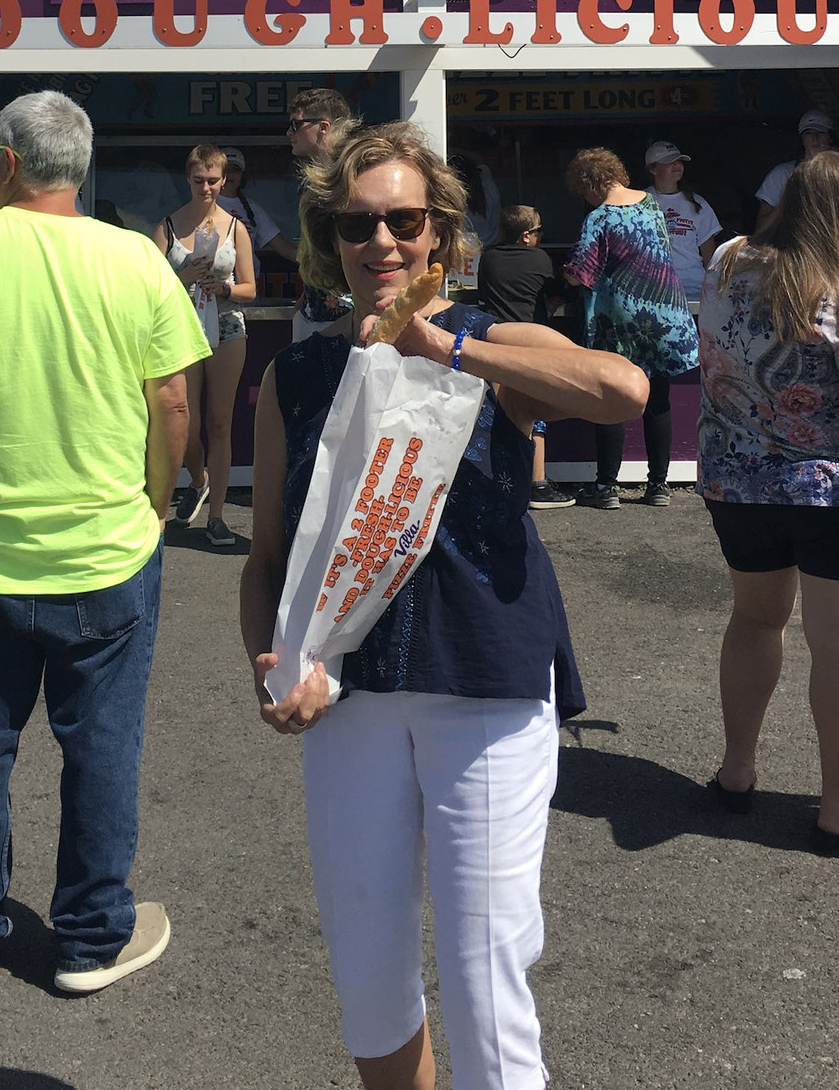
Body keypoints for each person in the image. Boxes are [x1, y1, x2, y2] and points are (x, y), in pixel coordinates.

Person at [240, 120, 647, 1090]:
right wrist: (268, 661)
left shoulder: (488, 345)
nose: (381, 241)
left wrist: (441, 345)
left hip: (487, 683)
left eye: (404, 220)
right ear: (327, 237)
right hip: (349, 694)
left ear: (441, 235)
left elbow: (621, 387)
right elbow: (262, 560)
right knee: (369, 980)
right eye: (356, 223)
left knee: (482, 978)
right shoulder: (292, 377)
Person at [0, 91, 210, 994]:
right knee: (102, 746)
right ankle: (94, 938)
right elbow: (171, 402)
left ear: (9, 162)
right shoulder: (136, 258)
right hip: (108, 557)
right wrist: (159, 500)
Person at [697, 150, 839, 842]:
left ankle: (737, 770)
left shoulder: (729, 257)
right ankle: (836, 809)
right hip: (834, 495)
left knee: (756, 620)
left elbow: (783, 300)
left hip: (738, 481)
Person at [563, 146, 699, 509]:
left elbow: (580, 275)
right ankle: (659, 486)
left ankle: (606, 488)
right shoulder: (651, 205)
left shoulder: (600, 218)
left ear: (590, 184)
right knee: (658, 400)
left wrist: (560, 273)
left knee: (613, 400)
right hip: (665, 315)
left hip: (621, 323)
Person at [156, 145, 256, 548]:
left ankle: (216, 516)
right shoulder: (166, 227)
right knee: (186, 422)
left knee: (220, 422)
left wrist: (226, 287)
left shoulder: (235, 228)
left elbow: (250, 288)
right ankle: (198, 480)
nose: (207, 188)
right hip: (182, 325)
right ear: (188, 179)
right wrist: (181, 276)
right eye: (199, 180)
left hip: (227, 325)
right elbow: (152, 289)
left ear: (224, 178)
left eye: (213, 180)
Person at [477, 205, 570, 507]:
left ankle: (500, 480)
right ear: (527, 235)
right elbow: (557, 290)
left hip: (496, 340)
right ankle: (537, 483)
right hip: (530, 341)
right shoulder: (539, 259)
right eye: (539, 230)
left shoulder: (488, 258)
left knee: (498, 413)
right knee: (533, 410)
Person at [286, 89, 355, 342]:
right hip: (314, 311)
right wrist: (306, 296)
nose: (289, 133)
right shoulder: (310, 180)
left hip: (350, 312)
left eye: (297, 124)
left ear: (323, 126)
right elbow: (313, 247)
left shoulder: (354, 175)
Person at [644, 139, 722, 301]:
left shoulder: (698, 203)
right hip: (655, 291)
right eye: (669, 162)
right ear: (653, 169)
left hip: (694, 289)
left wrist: (713, 291)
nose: (677, 165)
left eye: (679, 161)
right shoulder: (639, 201)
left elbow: (710, 255)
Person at [754, 109, 836, 235]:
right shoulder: (781, 174)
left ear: (830, 138)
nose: (815, 138)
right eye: (808, 133)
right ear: (801, 139)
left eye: (821, 132)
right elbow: (762, 225)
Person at [217, 146, 284, 259]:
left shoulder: (253, 209)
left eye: (235, 170)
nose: (230, 174)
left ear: (243, 176)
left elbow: (279, 244)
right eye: (226, 169)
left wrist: (313, 263)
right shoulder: (204, 205)